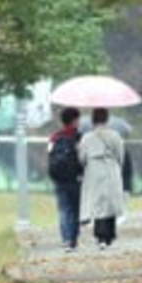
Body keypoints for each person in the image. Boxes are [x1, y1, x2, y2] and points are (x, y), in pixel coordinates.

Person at [78, 108, 126, 249]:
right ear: (107, 119)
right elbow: (120, 154)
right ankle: (110, 234)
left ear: (93, 119)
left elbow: (82, 157)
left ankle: (100, 236)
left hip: (94, 169)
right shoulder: (115, 136)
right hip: (111, 168)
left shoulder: (87, 137)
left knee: (98, 203)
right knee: (110, 202)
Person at [47, 107, 83, 252]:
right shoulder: (79, 137)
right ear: (74, 120)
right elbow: (82, 157)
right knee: (75, 209)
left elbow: (49, 154)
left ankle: (65, 238)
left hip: (59, 177)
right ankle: (72, 238)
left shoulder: (54, 137)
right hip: (75, 178)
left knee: (63, 208)